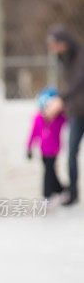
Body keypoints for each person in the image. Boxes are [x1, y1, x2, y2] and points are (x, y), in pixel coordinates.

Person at [45, 25, 84, 206]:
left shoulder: (80, 56)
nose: (53, 50)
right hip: (76, 112)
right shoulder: (64, 59)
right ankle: (73, 193)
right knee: (71, 153)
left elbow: (78, 82)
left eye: (55, 45)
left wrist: (60, 100)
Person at [26, 87, 67, 200]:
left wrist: (62, 108)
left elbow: (69, 118)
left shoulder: (60, 118)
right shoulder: (38, 118)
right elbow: (33, 133)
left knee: (48, 172)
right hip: (43, 150)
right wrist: (29, 148)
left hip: (54, 150)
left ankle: (47, 195)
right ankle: (61, 190)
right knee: (50, 171)